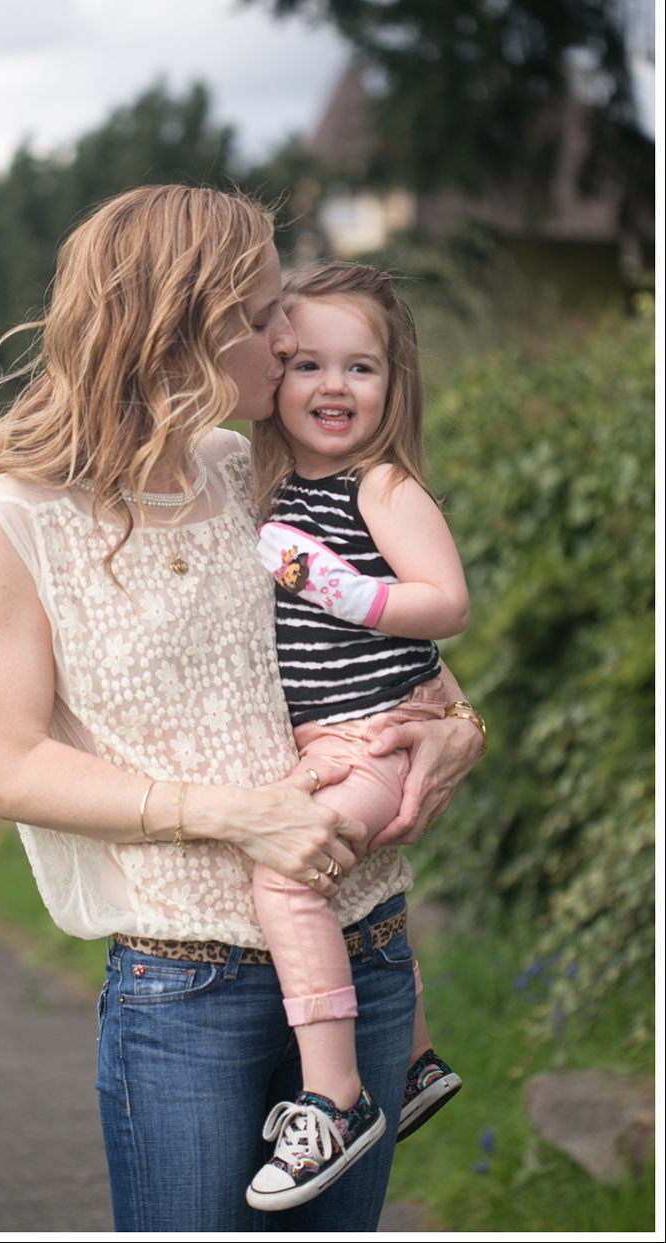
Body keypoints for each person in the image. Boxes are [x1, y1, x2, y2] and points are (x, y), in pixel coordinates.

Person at [0, 185, 483, 1233]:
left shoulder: (251, 468)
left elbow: (372, 639)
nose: (289, 340)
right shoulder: (11, 516)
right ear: (182, 327)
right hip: (186, 991)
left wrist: (462, 727)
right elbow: (11, 767)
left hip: (365, 948)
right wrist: (240, 815)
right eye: (266, 314)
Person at [246, 262, 481, 1211]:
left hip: (383, 732)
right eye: (308, 364)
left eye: (361, 367)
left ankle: (336, 1097)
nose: (333, 385)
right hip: (329, 741)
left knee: (289, 872)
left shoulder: (380, 486)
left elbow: (447, 603)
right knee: (350, 889)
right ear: (274, 371)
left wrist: (347, 591)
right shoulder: (272, 490)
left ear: (394, 382)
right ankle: (412, 1059)